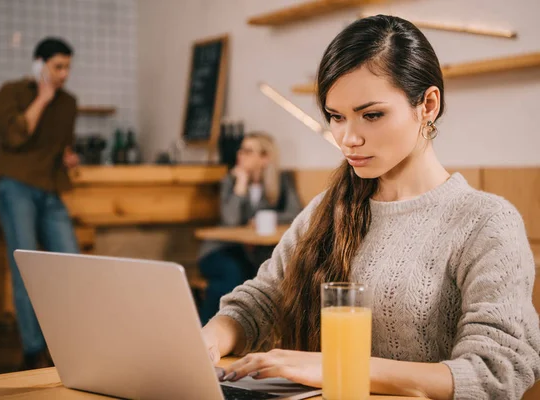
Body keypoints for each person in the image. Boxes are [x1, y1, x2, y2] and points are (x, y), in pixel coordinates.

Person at [201, 15, 540, 400]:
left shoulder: (486, 222)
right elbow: (261, 300)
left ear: (428, 104)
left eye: (372, 115)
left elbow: (498, 372)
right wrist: (207, 340)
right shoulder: (325, 210)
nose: (349, 138)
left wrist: (339, 368)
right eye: (336, 117)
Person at [0, 37, 80, 370]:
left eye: (68, 67)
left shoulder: (69, 103)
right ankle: (33, 351)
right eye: (58, 66)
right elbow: (13, 137)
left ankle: (72, 343)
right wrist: (42, 99)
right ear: (39, 64)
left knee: (73, 267)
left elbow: (61, 146)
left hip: (50, 190)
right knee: (25, 269)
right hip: (16, 187)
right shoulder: (12, 92)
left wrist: (69, 157)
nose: (64, 74)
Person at [198, 132, 302, 325]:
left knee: (264, 273)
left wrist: (266, 218)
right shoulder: (230, 180)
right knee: (232, 272)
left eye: (248, 151)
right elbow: (230, 221)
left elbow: (296, 212)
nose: (241, 154)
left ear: (265, 158)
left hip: (251, 251)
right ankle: (210, 330)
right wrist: (241, 184)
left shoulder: (281, 181)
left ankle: (243, 332)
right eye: (241, 149)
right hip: (219, 250)